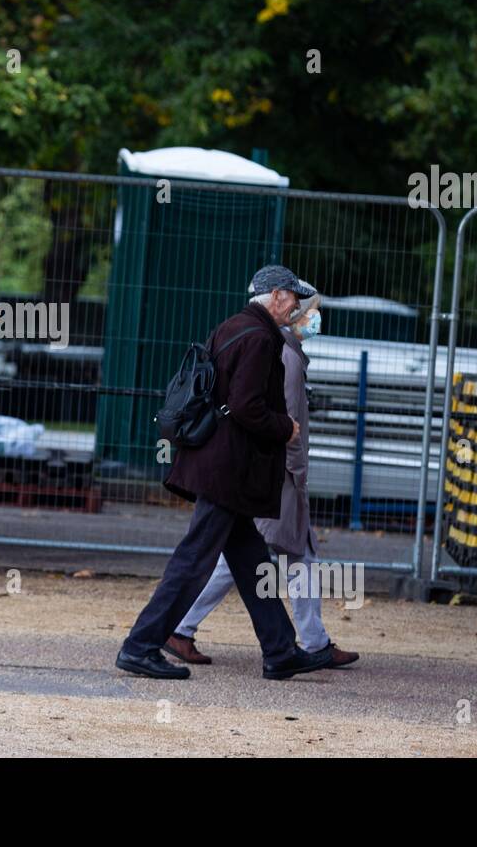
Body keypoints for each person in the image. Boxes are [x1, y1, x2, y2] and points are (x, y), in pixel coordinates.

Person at [115, 265, 335, 680]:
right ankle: (140, 645)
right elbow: (247, 406)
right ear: (274, 297)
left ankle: (280, 650)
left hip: (220, 465)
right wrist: (285, 427)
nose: (297, 307)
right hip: (229, 469)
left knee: (251, 563)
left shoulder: (233, 327)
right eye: (293, 298)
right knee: (193, 559)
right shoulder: (259, 339)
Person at [163, 287, 359, 670]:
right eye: (309, 311)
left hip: (278, 471)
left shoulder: (285, 351)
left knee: (273, 555)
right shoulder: (284, 354)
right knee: (272, 556)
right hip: (280, 473)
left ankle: (304, 641)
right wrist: (295, 471)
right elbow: (280, 417)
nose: (314, 319)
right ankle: (184, 628)